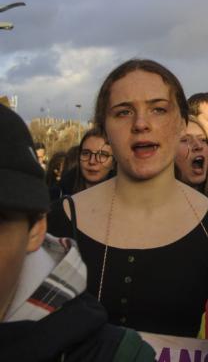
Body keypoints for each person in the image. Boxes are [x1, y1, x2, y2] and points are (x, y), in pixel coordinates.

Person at [47, 59, 208, 342]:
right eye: (123, 112)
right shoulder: (56, 221)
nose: (141, 124)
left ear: (182, 123)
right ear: (104, 129)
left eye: (158, 109)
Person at [0, 104, 155, 361]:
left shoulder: (113, 354)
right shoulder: (59, 203)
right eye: (87, 154)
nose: (93, 161)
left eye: (102, 155)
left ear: (36, 228)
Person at [71, 128, 115, 194]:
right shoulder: (59, 195)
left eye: (102, 155)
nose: (92, 161)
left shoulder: (126, 198)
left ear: (113, 163)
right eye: (86, 153)